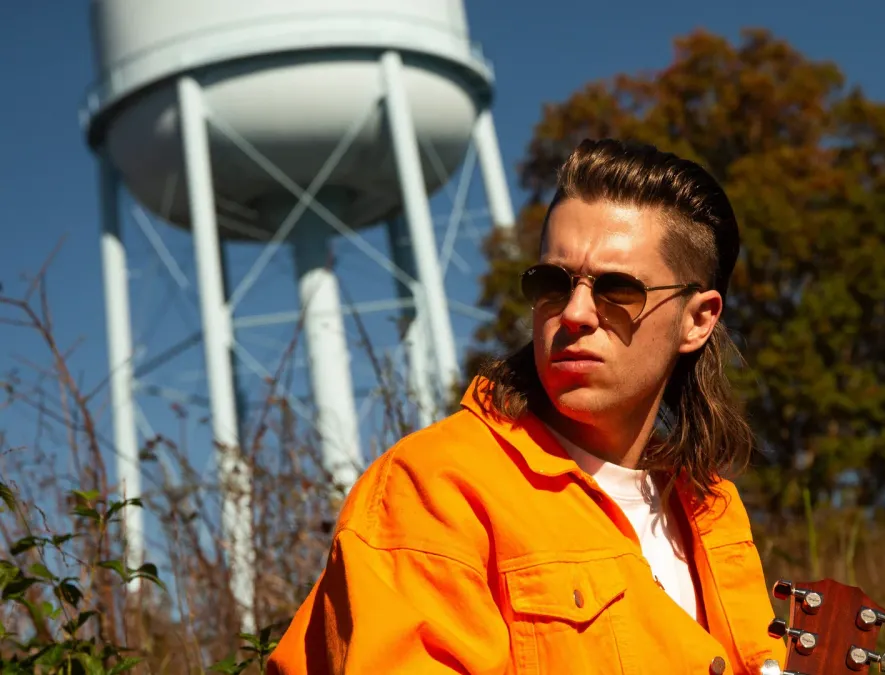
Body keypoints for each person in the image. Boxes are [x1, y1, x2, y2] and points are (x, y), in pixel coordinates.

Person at [266, 138, 784, 674]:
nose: (575, 313)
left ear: (697, 320)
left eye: (617, 290)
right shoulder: (435, 487)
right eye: (553, 284)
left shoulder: (712, 508)